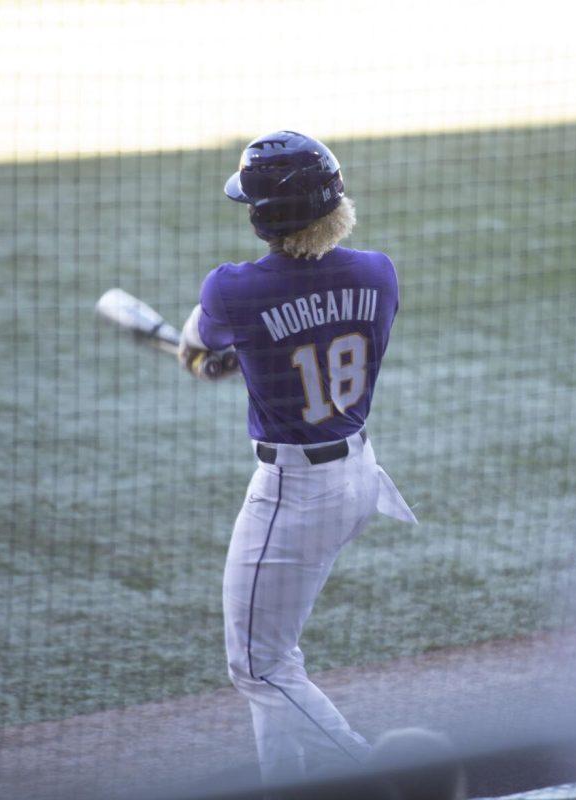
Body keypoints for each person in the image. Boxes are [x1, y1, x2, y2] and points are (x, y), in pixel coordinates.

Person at [178, 131, 417, 783]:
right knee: (274, 659)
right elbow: (307, 329)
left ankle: (378, 777)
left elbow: (198, 347)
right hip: (359, 479)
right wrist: (245, 355)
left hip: (294, 495)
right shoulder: (380, 273)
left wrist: (214, 361)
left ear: (262, 218)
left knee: (256, 667)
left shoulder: (232, 290)